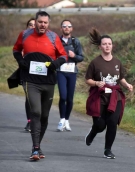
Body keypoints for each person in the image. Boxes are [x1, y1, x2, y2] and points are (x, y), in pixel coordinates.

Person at [12, 11, 67, 161]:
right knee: (35, 112)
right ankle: (35, 149)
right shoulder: (25, 34)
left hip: (48, 81)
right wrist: (20, 60)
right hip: (31, 81)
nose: (43, 25)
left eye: (45, 22)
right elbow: (16, 49)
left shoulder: (53, 37)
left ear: (48, 24)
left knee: (44, 116)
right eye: (40, 22)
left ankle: (38, 145)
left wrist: (56, 64)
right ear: (35, 22)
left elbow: (63, 56)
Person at [84, 28, 133, 159]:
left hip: (114, 97)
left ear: (112, 45)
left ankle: (108, 149)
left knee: (112, 123)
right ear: (100, 46)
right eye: (104, 44)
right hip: (99, 97)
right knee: (100, 125)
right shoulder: (95, 62)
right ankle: (93, 132)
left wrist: (127, 84)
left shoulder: (117, 62)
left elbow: (120, 78)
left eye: (109, 44)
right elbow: (88, 79)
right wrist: (96, 83)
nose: (107, 46)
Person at [56, 19, 84, 132]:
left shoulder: (75, 42)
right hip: (61, 71)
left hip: (72, 72)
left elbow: (81, 57)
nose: (66, 28)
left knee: (70, 98)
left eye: (69, 26)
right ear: (61, 28)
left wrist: (74, 56)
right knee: (63, 96)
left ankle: (67, 120)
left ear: (71, 28)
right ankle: (61, 119)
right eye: (64, 26)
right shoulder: (57, 41)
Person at [23, 18, 36, 132]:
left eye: (34, 25)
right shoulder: (23, 39)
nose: (32, 27)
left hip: (39, 73)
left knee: (37, 98)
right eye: (30, 25)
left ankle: (37, 120)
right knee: (29, 96)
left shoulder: (44, 39)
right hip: (26, 72)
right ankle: (29, 121)